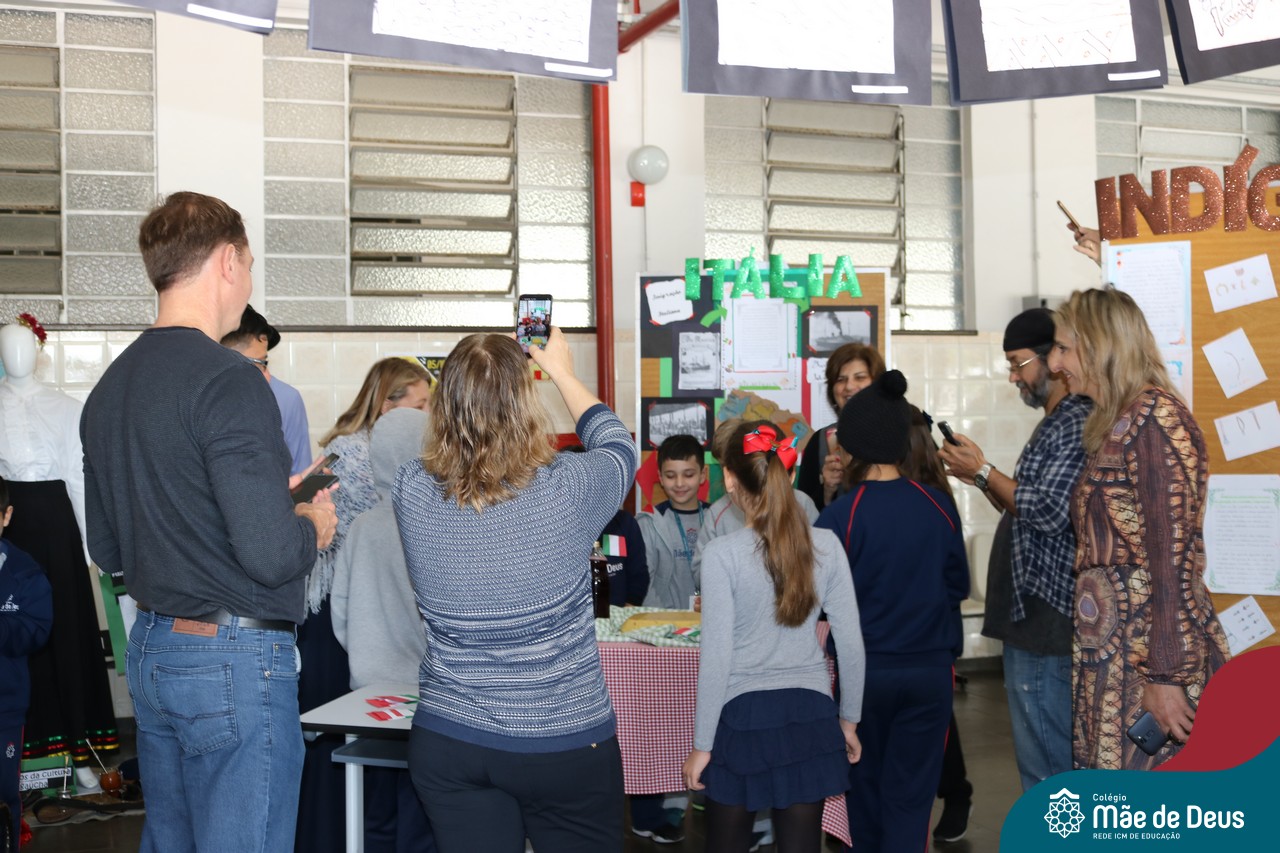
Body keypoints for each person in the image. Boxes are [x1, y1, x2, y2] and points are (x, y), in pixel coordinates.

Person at [80, 191, 337, 851]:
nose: (248, 278)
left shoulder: (109, 388)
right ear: (227, 261)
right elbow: (272, 555)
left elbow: (108, 548)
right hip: (233, 661)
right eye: (248, 263)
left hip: (155, 652)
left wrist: (259, 502)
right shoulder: (231, 380)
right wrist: (309, 520)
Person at [393, 329, 637, 852]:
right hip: (563, 738)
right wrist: (562, 371)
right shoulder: (569, 487)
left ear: (443, 405)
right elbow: (619, 446)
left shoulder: (411, 489)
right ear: (526, 403)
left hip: (451, 736)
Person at [1048, 288, 1230, 771]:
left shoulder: (1156, 420)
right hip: (1116, 658)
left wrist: (1167, 677)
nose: (1055, 363)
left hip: (1148, 661)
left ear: (1100, 345)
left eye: (1064, 348)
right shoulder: (1121, 421)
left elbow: (1172, 561)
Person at [683, 422, 865, 853]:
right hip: (812, 715)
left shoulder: (722, 554)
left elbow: (717, 656)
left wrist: (702, 745)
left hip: (742, 717)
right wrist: (849, 721)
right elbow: (851, 644)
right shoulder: (826, 545)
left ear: (729, 479)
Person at [815, 370, 969, 853]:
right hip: (929, 673)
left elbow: (817, 601)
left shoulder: (839, 516)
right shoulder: (938, 504)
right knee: (912, 797)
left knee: (862, 790)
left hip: (864, 676)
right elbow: (957, 586)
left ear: (851, 447)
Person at [938, 308, 1090, 793]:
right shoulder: (1055, 423)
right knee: (1043, 757)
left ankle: (1059, 831)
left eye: (1018, 363)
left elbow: (1047, 512)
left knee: (1049, 769)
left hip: (1047, 622)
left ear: (1053, 360)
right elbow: (1024, 507)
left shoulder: (1074, 422)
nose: (1013, 377)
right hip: (1035, 621)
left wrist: (984, 472)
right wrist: (980, 476)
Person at [297, 356, 430, 851]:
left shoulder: (382, 468)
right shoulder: (344, 455)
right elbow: (299, 516)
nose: (429, 417)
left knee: (372, 771)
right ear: (387, 405)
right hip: (336, 618)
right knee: (351, 755)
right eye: (421, 405)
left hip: (364, 621)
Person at [0, 316, 118, 790]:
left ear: (37, 350)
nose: (16, 354)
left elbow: (78, 478)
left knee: (67, 632)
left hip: (57, 526)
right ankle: (19, 754)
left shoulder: (67, 407)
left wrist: (93, 550)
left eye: (23, 345)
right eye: (8, 346)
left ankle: (79, 750)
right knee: (13, 633)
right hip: (8, 525)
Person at [331, 408, 435, 853]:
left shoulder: (362, 527)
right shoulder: (441, 521)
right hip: (431, 696)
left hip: (370, 696)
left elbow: (341, 611)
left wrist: (366, 655)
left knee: (375, 809)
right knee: (422, 811)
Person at [0, 475, 53, 851]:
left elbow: (37, 630)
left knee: (5, 796)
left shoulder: (24, 572)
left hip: (4, 710)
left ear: (6, 516)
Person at [220, 304, 313, 475]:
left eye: (265, 363)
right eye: (259, 364)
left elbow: (299, 474)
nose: (267, 376)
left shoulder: (285, 398)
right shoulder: (195, 400)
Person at [796, 344, 885, 511]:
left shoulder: (901, 433)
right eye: (840, 379)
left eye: (860, 377)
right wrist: (827, 490)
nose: (849, 386)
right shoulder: (820, 441)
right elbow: (803, 513)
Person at [638, 434, 709, 610]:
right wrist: (664, 620)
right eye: (670, 476)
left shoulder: (717, 519)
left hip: (711, 619)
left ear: (703, 475)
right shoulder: (649, 523)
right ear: (660, 478)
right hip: (664, 621)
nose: (679, 483)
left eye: (688, 475)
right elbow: (644, 583)